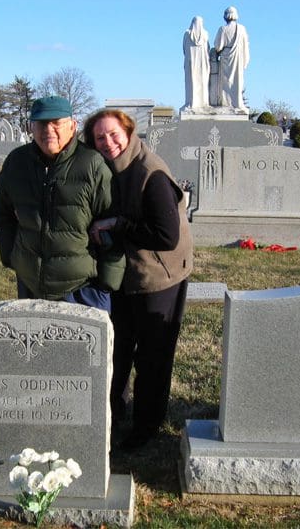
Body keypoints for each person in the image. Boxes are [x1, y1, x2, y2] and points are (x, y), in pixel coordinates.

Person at [83, 109, 193, 450]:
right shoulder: (105, 168)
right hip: (124, 274)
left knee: (152, 356)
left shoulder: (150, 172)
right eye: (100, 137)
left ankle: (146, 428)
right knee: (118, 350)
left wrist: (118, 226)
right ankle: (115, 416)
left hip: (159, 274)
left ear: (129, 132)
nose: (108, 142)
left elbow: (166, 236)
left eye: (114, 134)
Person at [0, 96, 125, 311]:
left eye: (57, 123)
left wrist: (107, 283)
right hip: (30, 284)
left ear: (72, 126)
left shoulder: (92, 164)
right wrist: (10, 255)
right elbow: (1, 211)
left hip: (82, 288)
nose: (49, 130)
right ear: (30, 127)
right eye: (41, 124)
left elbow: (112, 222)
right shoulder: (17, 162)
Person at [214, 6, 250, 110]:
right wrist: (246, 60)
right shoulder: (242, 29)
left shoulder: (223, 29)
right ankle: (237, 103)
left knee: (226, 82)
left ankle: (226, 104)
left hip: (226, 57)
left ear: (225, 16)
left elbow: (218, 46)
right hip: (238, 57)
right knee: (238, 81)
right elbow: (246, 45)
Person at [183, 16, 210, 109]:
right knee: (202, 83)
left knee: (191, 83)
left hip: (191, 63)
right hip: (202, 64)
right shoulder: (205, 34)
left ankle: (191, 102)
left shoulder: (187, 33)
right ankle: (203, 103)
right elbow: (208, 49)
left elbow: (184, 49)